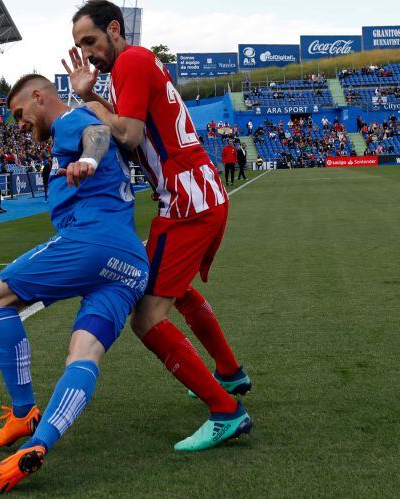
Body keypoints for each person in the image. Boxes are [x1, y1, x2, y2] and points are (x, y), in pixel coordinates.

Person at [66, 0, 252, 452]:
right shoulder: (139, 63)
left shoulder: (130, 59)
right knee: (177, 288)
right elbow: (135, 128)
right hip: (198, 194)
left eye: (90, 41)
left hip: (186, 202)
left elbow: (127, 134)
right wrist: (93, 96)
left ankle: (226, 412)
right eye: (78, 47)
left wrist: (87, 100)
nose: (87, 54)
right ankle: (229, 373)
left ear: (115, 29)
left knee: (147, 319)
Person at [0, 75, 148, 495]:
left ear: (38, 96)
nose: (20, 124)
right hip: (131, 261)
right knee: (84, 353)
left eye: (20, 114)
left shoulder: (70, 120)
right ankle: (37, 445)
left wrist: (88, 158)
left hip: (92, 241)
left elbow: (97, 133)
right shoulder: (77, 125)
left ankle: (23, 411)